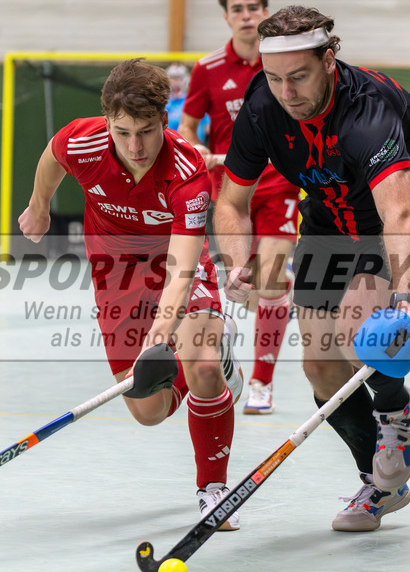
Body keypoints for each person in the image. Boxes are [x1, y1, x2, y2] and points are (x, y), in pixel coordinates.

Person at [213, 6, 410, 532]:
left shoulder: (368, 111)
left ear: (330, 59)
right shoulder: (264, 107)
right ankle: (378, 486)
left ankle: (396, 410)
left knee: (364, 337)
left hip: (409, 215)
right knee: (321, 369)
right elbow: (232, 202)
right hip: (329, 220)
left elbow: (401, 212)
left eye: (299, 76)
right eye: (275, 78)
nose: (287, 92)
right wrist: (237, 263)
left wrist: (404, 302)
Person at [18, 58, 245, 529]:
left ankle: (213, 490)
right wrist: (39, 208)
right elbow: (51, 157)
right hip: (115, 273)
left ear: (164, 119)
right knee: (149, 410)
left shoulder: (187, 173)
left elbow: (184, 269)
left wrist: (163, 330)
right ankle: (207, 366)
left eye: (146, 130)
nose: (135, 146)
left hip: (175, 267)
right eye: (122, 133)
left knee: (200, 365)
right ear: (107, 122)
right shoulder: (81, 140)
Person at [179, 0, 299, 416]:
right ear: (226, 16)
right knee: (241, 284)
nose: (247, 15)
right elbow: (188, 126)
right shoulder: (207, 68)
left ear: (265, 12)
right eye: (238, 8)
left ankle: (262, 383)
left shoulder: (285, 62)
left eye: (253, 7)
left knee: (272, 273)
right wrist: (198, 150)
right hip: (231, 189)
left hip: (281, 182)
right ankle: (222, 338)